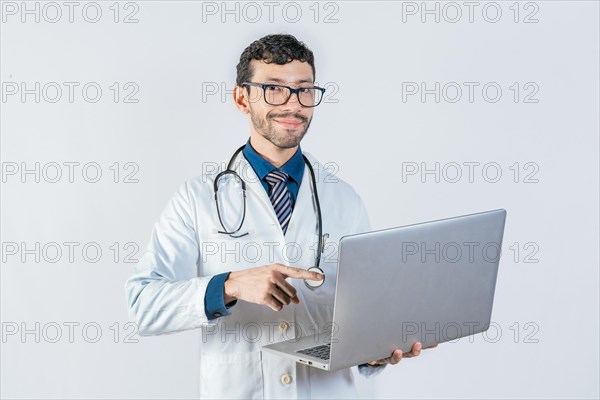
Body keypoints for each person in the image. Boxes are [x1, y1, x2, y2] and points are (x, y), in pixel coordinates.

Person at [125, 33, 436, 399]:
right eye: (274, 89)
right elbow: (143, 306)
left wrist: (378, 351)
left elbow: (363, 313)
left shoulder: (344, 199)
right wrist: (230, 285)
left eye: (304, 89)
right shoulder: (196, 199)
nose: (293, 104)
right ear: (242, 98)